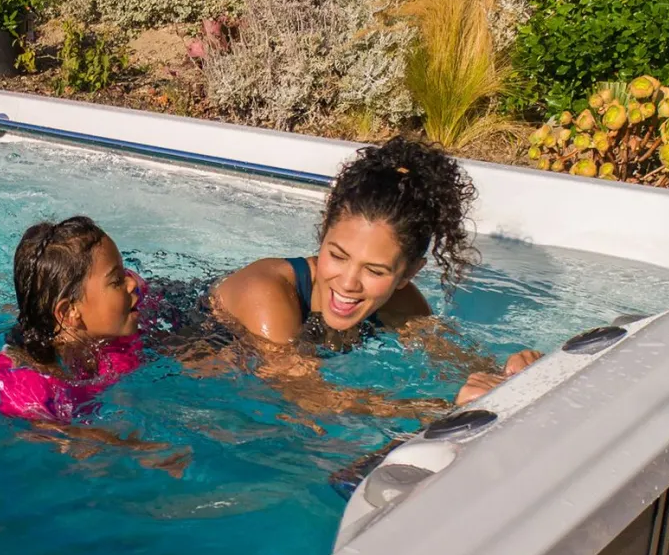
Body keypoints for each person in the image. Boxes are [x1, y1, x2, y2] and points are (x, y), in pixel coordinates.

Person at [207, 137, 539, 411]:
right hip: (170, 348)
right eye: (337, 255)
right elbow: (306, 395)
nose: (349, 283)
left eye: (375, 270)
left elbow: (454, 361)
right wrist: (433, 409)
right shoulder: (266, 292)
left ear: (407, 274)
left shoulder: (399, 302)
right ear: (323, 236)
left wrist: (510, 375)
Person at [0, 216, 146, 422]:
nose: (131, 283)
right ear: (69, 312)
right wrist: (135, 447)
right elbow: (52, 436)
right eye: (117, 280)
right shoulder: (28, 379)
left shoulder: (116, 329)